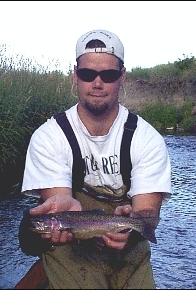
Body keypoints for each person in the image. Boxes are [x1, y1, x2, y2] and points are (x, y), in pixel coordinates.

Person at [20, 29, 172, 289]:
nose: (97, 83)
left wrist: (132, 227)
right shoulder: (50, 137)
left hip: (130, 257)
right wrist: (63, 205)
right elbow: (58, 206)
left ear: (122, 77)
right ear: (75, 75)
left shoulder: (147, 139)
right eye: (88, 74)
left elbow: (148, 213)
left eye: (109, 75)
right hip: (73, 256)